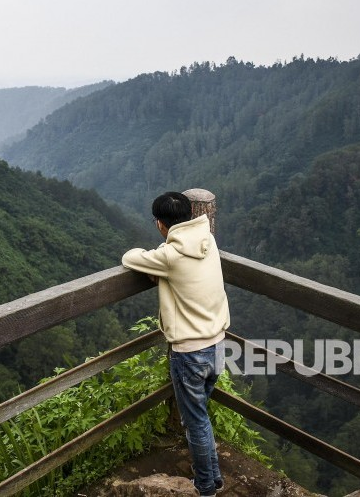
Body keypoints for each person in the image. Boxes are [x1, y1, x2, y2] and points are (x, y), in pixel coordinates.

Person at [122, 191, 230, 497]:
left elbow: (129, 257)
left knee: (195, 422)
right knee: (201, 416)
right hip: (218, 344)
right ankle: (216, 479)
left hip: (190, 352)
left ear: (160, 224)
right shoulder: (208, 241)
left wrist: (162, 262)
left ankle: (206, 487)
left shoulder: (169, 257)